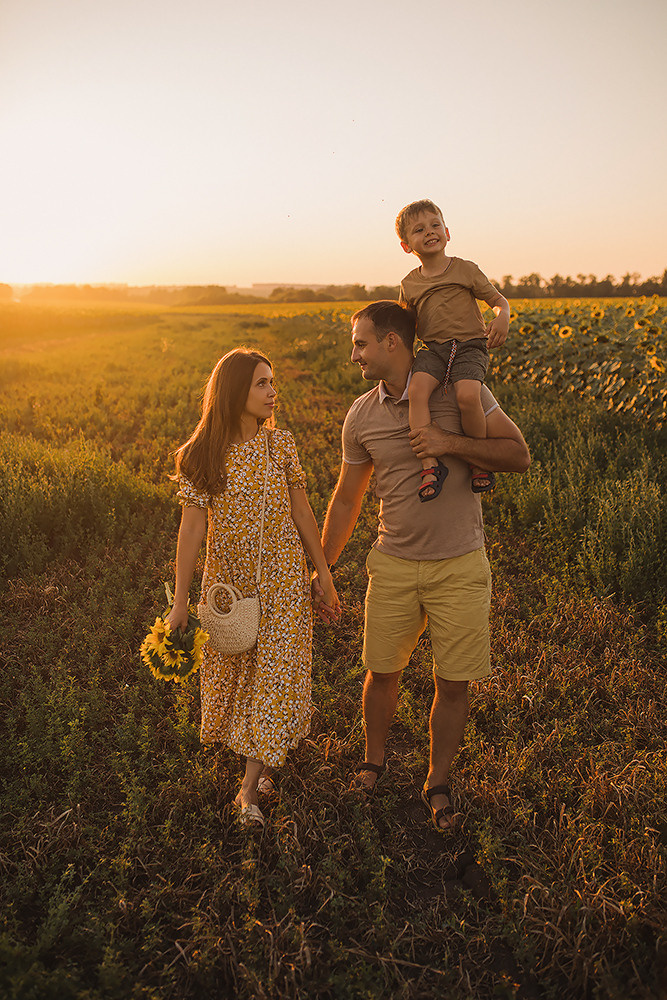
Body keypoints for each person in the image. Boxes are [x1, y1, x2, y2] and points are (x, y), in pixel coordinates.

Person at [313, 301, 529, 831]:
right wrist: (322, 569)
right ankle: (373, 762)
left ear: (393, 342)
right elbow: (346, 501)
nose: (354, 353)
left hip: (459, 564)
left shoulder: (461, 394)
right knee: (381, 672)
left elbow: (518, 455)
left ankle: (438, 782)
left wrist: (449, 443)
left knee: (452, 683)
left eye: (361, 342)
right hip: (392, 564)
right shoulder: (361, 416)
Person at [168, 348, 339, 828]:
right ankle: (260, 762)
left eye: (273, 382)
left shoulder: (280, 446)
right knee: (243, 678)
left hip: (283, 583)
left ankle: (247, 793)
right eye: (262, 383)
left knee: (276, 677)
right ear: (234, 391)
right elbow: (191, 531)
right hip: (230, 587)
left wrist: (322, 573)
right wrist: (182, 603)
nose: (272, 392)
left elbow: (303, 515)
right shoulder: (203, 454)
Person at [396, 198, 511, 500]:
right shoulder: (409, 284)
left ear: (447, 231)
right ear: (407, 245)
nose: (430, 232)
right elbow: (407, 326)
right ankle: (430, 465)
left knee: (468, 396)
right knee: (417, 393)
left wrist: (503, 318)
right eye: (419, 229)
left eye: (435, 225)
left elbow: (499, 302)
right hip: (432, 350)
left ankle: (479, 462)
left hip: (469, 346)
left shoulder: (465, 270)